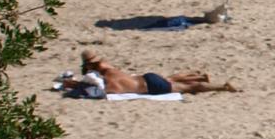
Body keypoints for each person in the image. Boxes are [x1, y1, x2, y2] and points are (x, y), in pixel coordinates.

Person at [76, 52, 237, 96]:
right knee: (170, 79)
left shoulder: (109, 83)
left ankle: (223, 87)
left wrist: (77, 85)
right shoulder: (108, 68)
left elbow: (101, 92)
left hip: (150, 86)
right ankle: (199, 76)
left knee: (189, 88)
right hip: (145, 77)